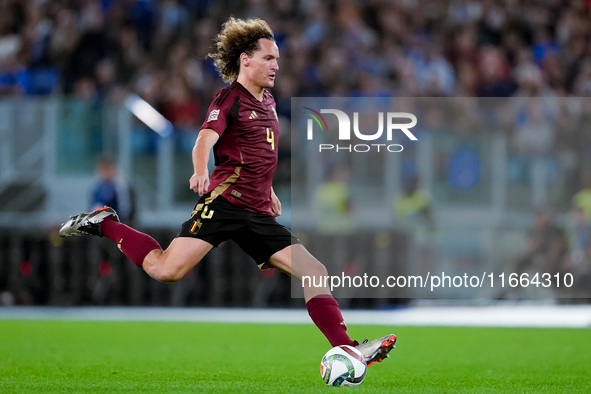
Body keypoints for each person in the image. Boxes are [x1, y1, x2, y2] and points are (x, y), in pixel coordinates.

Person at [59, 16, 395, 366]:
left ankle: (347, 348)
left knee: (315, 272)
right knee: (165, 270)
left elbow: (257, 154)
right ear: (244, 60)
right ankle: (104, 223)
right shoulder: (229, 97)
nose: (276, 65)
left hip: (256, 211)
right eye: (268, 58)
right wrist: (200, 170)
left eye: (277, 59)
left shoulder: (268, 101)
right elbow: (205, 138)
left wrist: (268, 191)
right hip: (224, 204)